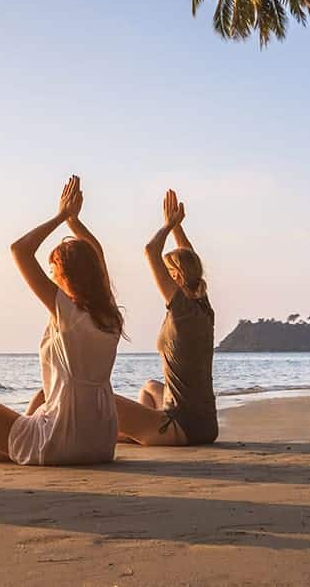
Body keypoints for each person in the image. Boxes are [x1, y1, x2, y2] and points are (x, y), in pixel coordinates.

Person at [0, 175, 123, 464]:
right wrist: (74, 223)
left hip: (64, 441)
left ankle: (8, 450)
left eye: (54, 270)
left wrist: (61, 215)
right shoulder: (110, 316)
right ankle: (3, 450)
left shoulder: (69, 313)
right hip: (101, 440)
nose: (51, 277)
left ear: (67, 276)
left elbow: (20, 250)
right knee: (42, 397)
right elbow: (97, 255)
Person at [114, 190, 218, 446]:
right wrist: (178, 229)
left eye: (169, 271)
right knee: (150, 387)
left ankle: (136, 435)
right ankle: (139, 434)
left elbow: (151, 251)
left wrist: (168, 225)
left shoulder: (182, 310)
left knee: (102, 400)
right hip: (205, 424)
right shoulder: (203, 308)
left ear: (177, 278)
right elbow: (190, 258)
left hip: (182, 426)